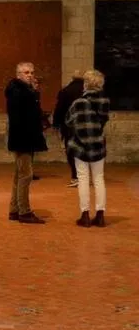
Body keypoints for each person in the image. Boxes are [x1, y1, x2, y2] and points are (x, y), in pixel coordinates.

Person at [66, 70, 111, 227]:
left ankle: (84, 215)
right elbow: (103, 121)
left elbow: (69, 121)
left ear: (86, 83)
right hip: (98, 144)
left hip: (80, 146)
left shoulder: (78, 102)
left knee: (83, 179)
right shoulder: (105, 101)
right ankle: (100, 215)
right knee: (99, 179)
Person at [4, 62, 48, 223]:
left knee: (19, 175)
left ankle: (14, 210)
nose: (30, 75)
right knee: (26, 176)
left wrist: (34, 92)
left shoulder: (24, 91)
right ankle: (24, 211)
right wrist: (34, 93)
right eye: (26, 72)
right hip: (22, 138)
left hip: (25, 137)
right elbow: (26, 114)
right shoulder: (18, 91)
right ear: (18, 75)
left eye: (31, 72)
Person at [53, 71, 86, 187]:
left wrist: (56, 123)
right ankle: (84, 176)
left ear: (72, 78)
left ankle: (75, 176)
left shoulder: (65, 91)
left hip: (69, 126)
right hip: (86, 127)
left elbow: (59, 108)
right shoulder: (87, 91)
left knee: (71, 151)